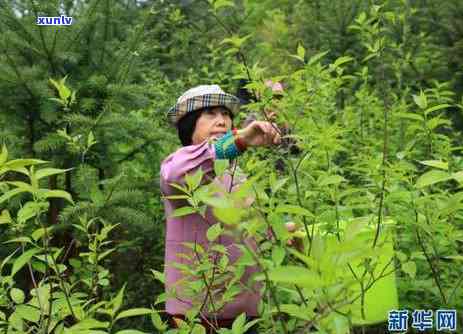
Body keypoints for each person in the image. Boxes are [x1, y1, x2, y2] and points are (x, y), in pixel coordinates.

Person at [160, 84, 285, 333]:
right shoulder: (180, 164)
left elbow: (251, 232)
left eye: (226, 114)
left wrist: (283, 234)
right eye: (210, 114)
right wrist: (239, 140)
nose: (222, 120)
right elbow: (176, 175)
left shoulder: (235, 174)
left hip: (246, 312)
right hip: (198, 312)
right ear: (189, 124)